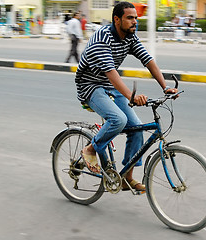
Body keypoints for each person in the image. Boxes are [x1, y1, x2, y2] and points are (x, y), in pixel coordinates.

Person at [74, 1, 177, 192]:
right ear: (117, 19)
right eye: (130, 18)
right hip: (90, 86)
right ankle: (90, 149)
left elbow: (148, 60)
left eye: (136, 18)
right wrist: (131, 96)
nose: (134, 22)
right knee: (118, 120)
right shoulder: (102, 38)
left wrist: (165, 87)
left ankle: (126, 178)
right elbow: (112, 74)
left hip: (109, 86)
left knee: (136, 128)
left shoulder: (129, 37)